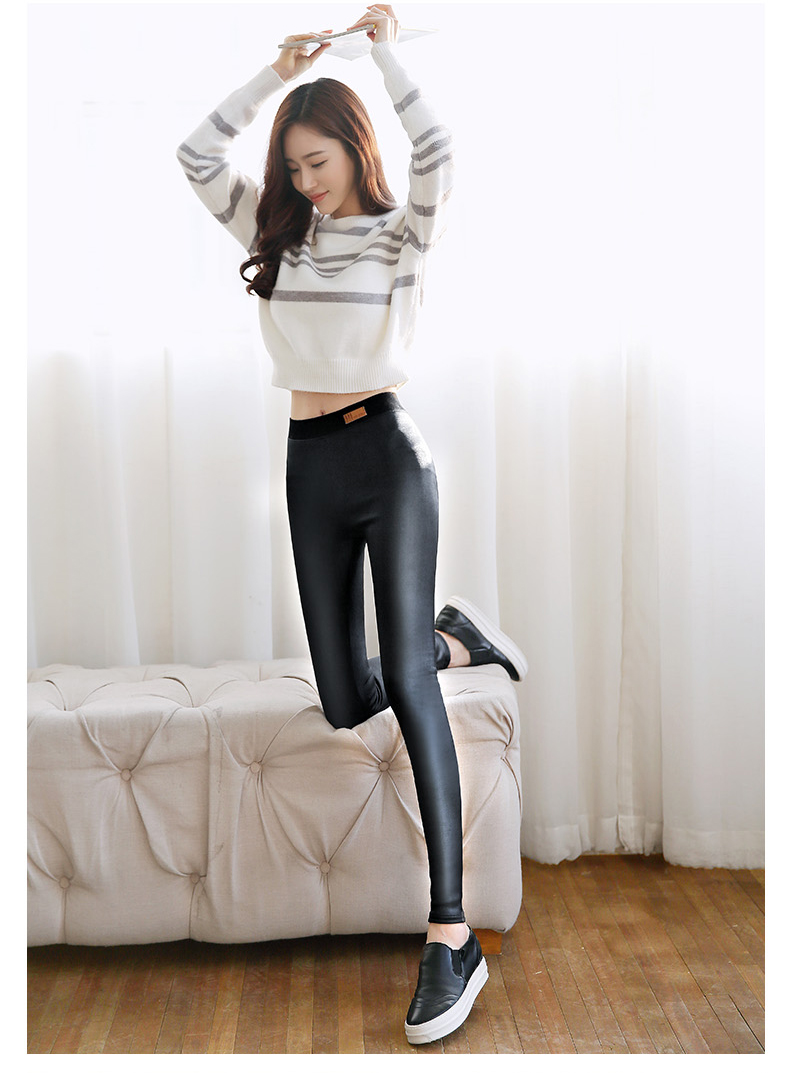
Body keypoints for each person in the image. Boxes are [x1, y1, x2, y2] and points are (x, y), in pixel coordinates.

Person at [177, 4, 527, 1045]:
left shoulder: (400, 230)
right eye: (292, 165)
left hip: (389, 459)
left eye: (318, 161)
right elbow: (194, 154)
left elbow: (440, 149)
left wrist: (381, 54)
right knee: (343, 696)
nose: (305, 179)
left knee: (406, 688)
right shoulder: (273, 232)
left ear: (353, 150)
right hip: (310, 468)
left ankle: (450, 933)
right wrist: (269, 74)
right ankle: (453, 638)